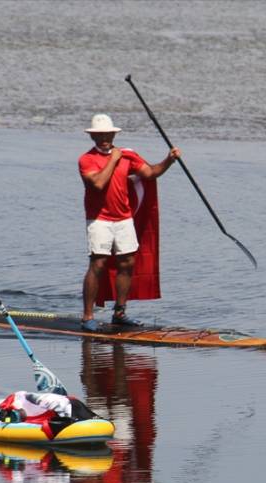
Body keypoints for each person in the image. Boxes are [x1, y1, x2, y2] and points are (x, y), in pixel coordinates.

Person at [79, 113, 180, 332]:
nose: (104, 138)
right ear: (92, 137)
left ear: (113, 135)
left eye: (108, 134)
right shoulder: (87, 159)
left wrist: (169, 160)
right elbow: (98, 184)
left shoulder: (127, 156)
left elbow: (150, 173)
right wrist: (114, 159)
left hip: (124, 219)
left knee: (127, 263)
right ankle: (87, 316)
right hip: (99, 220)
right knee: (98, 264)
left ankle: (120, 312)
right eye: (99, 135)